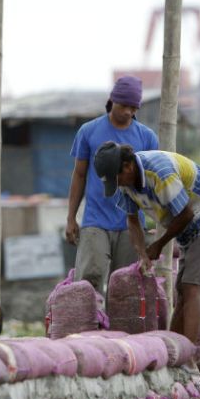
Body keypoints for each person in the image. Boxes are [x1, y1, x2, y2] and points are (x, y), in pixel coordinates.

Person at [93, 142, 200, 348]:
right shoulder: (125, 184)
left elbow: (186, 214)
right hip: (186, 225)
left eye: (118, 178)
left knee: (192, 286)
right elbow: (132, 220)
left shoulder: (160, 173)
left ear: (128, 166)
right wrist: (142, 253)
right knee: (182, 289)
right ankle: (174, 350)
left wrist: (158, 245)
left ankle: (189, 355)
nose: (119, 184)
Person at [65, 76, 159, 297]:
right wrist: (71, 217)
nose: (128, 111)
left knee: (126, 287)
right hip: (95, 220)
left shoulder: (147, 137)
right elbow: (79, 175)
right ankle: (88, 329)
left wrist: (156, 222)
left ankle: (120, 332)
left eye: (133, 107)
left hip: (132, 224)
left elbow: (152, 184)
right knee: (89, 279)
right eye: (123, 105)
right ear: (112, 100)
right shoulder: (88, 131)